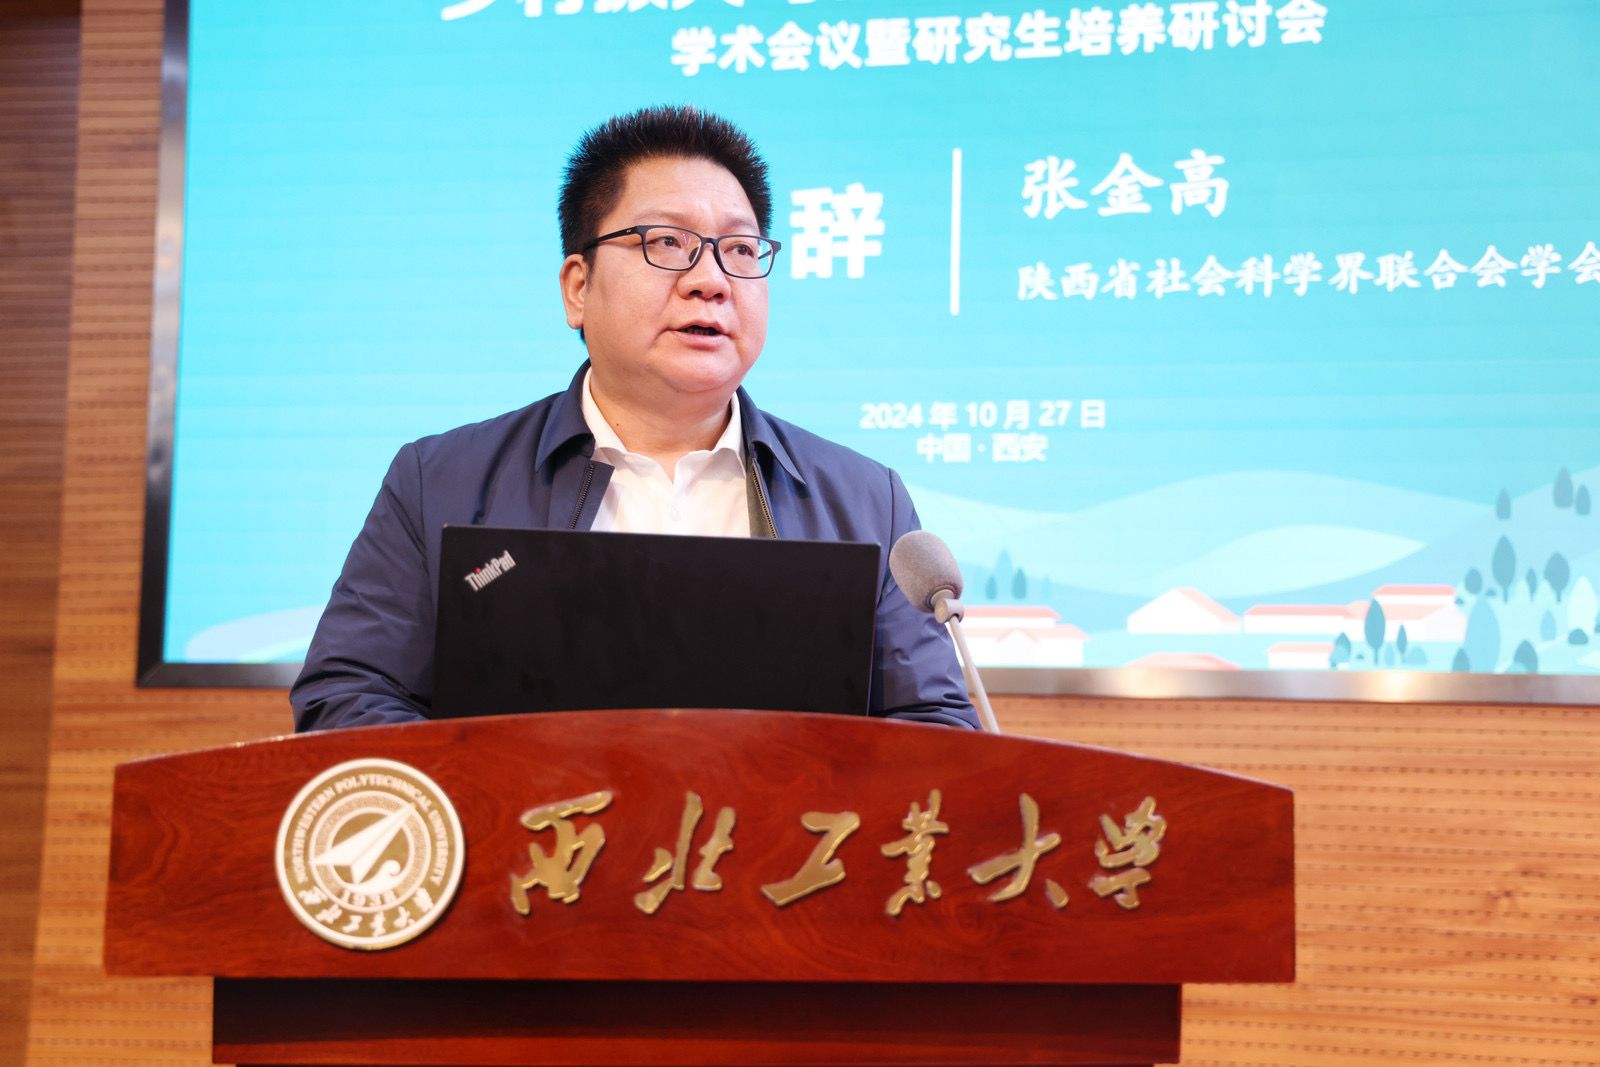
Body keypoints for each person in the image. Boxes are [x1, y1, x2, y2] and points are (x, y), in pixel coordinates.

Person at [291, 105, 976, 732]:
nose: (711, 280)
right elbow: (349, 694)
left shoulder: (867, 500)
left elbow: (936, 727)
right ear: (578, 287)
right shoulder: (439, 482)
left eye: (741, 250)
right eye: (667, 242)